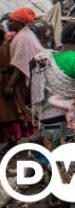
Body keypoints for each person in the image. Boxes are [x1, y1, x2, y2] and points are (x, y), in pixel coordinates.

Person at [30, 23, 75, 151]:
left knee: (53, 157)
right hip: (74, 121)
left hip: (49, 120)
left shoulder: (44, 59)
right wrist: (74, 106)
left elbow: (34, 90)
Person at [1, 8, 42, 144]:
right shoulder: (25, 35)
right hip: (33, 77)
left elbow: (20, 65)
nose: (9, 24)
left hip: (28, 80)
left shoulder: (22, 38)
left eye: (11, 21)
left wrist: (10, 85)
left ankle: (35, 141)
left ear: (19, 22)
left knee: (29, 111)